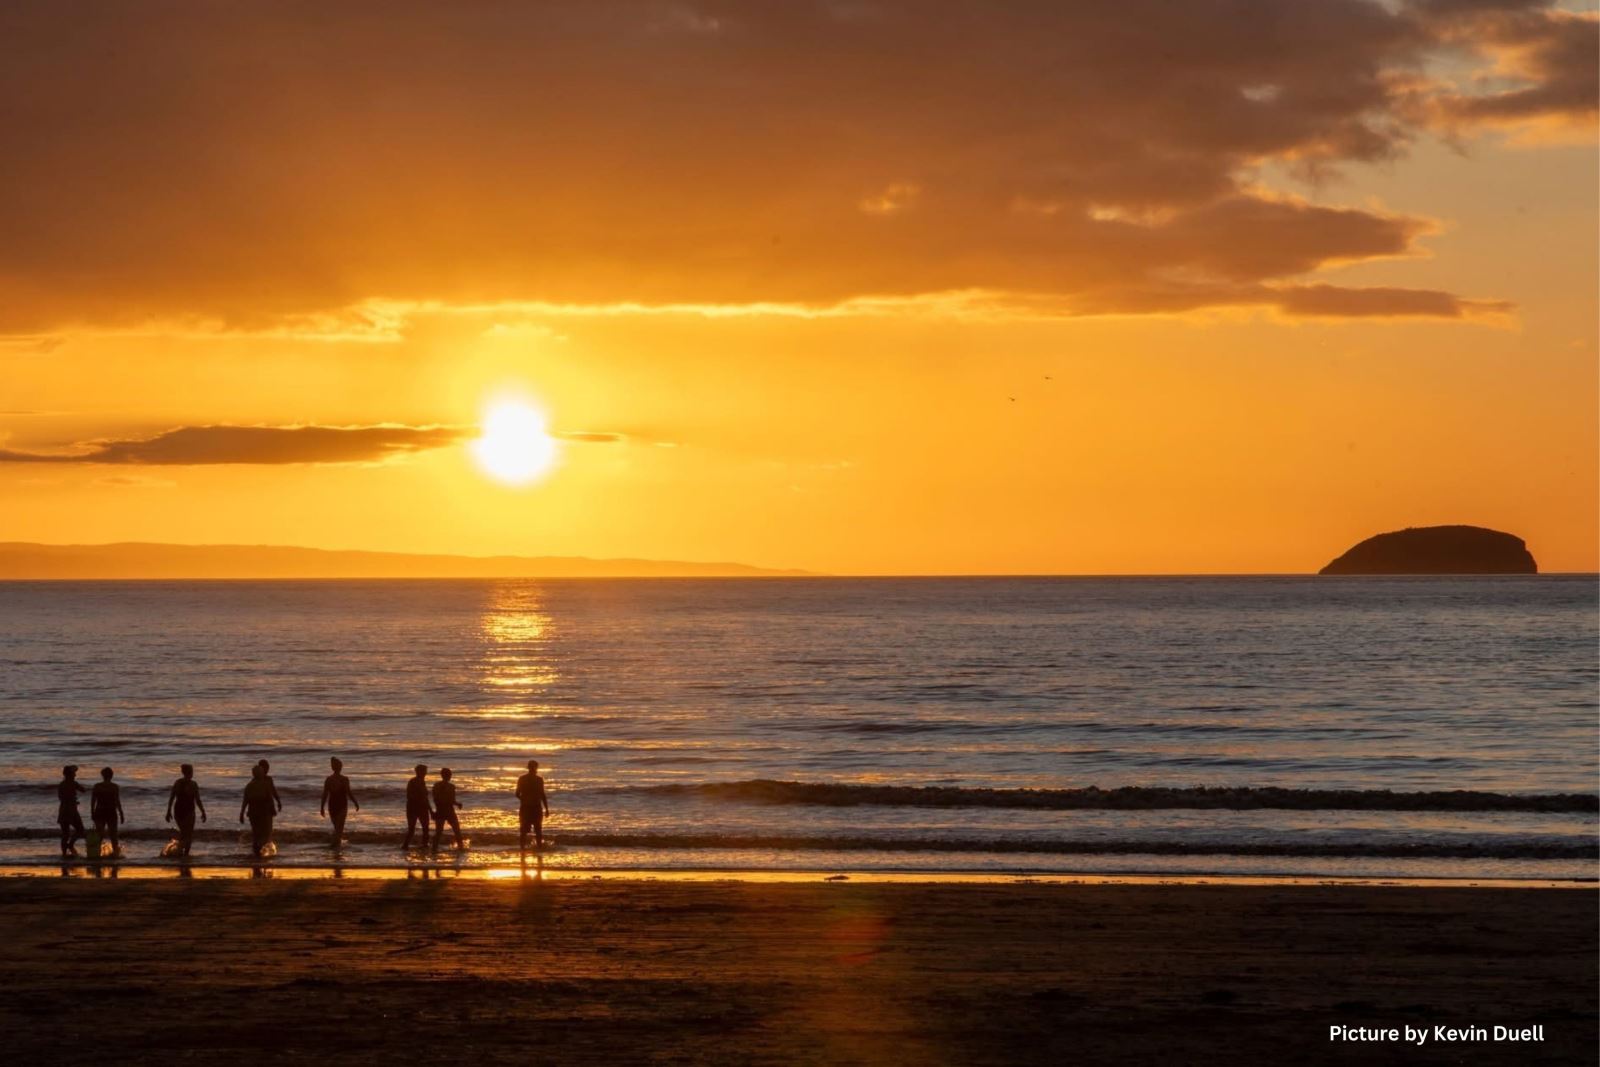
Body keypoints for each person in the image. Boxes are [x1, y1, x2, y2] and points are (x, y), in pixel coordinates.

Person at [164, 763, 207, 858]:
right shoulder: (193, 784)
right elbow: (197, 800)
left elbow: (172, 798)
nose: (192, 773)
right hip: (187, 811)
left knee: (184, 833)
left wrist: (168, 811)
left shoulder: (178, 783)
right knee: (188, 834)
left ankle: (178, 851)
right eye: (192, 771)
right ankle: (182, 853)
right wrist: (203, 812)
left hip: (179, 811)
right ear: (189, 772)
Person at [320, 757, 360, 847]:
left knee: (337, 828)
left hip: (333, 806)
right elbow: (349, 793)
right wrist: (355, 802)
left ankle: (335, 846)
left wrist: (322, 807)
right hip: (341, 805)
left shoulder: (329, 780)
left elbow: (325, 795)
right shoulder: (344, 779)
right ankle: (335, 847)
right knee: (339, 828)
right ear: (340, 767)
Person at [239, 764, 276, 857]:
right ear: (261, 774)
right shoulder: (265, 785)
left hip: (253, 813)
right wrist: (273, 809)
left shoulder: (249, 785)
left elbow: (245, 801)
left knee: (256, 834)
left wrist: (242, 813)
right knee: (265, 834)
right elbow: (270, 799)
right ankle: (260, 854)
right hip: (264, 813)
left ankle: (257, 854)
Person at [515, 760, 550, 853]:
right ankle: (529, 850)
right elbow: (517, 793)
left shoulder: (525, 779)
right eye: (534, 767)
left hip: (531, 807)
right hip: (530, 807)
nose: (535, 769)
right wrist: (546, 809)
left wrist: (546, 809)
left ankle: (527, 849)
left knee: (532, 830)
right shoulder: (537, 779)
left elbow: (517, 794)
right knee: (529, 830)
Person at [89, 767, 124, 856]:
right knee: (113, 835)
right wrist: (121, 813)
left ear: (102, 775)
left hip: (99, 811)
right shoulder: (114, 787)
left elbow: (93, 801)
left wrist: (92, 812)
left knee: (99, 835)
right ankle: (115, 855)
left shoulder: (97, 786)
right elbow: (117, 801)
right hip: (111, 812)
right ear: (111, 776)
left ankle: (96, 854)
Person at [56, 765, 86, 857]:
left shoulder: (61, 784)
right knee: (80, 829)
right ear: (70, 774)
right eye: (74, 773)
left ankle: (64, 854)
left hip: (63, 810)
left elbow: (61, 797)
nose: (75, 774)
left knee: (65, 834)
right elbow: (83, 790)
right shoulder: (74, 783)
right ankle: (71, 844)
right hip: (72, 811)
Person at [432, 767, 464, 850]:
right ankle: (461, 848)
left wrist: (457, 804)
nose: (449, 776)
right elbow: (437, 799)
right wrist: (456, 804)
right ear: (443, 775)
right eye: (448, 775)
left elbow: (451, 800)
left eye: (450, 774)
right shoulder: (442, 786)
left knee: (442, 831)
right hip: (445, 810)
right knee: (455, 830)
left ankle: (434, 848)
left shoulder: (447, 786)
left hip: (444, 810)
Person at [402, 764, 431, 850]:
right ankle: (424, 845)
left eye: (425, 771)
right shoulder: (417, 781)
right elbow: (422, 797)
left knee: (412, 829)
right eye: (424, 771)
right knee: (424, 828)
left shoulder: (414, 781)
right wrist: (430, 810)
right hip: (418, 808)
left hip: (412, 807)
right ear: (419, 772)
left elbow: (410, 796)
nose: (425, 773)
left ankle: (406, 845)